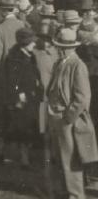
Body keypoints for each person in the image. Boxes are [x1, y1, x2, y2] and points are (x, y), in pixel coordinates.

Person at [45, 27, 97, 199]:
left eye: (60, 46)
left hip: (66, 119)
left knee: (71, 160)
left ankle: (75, 195)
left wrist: (69, 117)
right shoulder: (59, 63)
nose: (58, 49)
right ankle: (62, 191)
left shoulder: (77, 65)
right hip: (55, 116)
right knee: (57, 157)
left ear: (69, 48)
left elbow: (82, 97)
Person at [0, 27, 44, 169]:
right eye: (32, 42)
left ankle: (13, 155)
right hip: (19, 101)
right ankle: (20, 159)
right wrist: (20, 96)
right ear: (25, 43)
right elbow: (11, 80)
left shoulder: (30, 56)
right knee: (17, 129)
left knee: (24, 129)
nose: (34, 44)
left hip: (30, 99)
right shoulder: (14, 58)